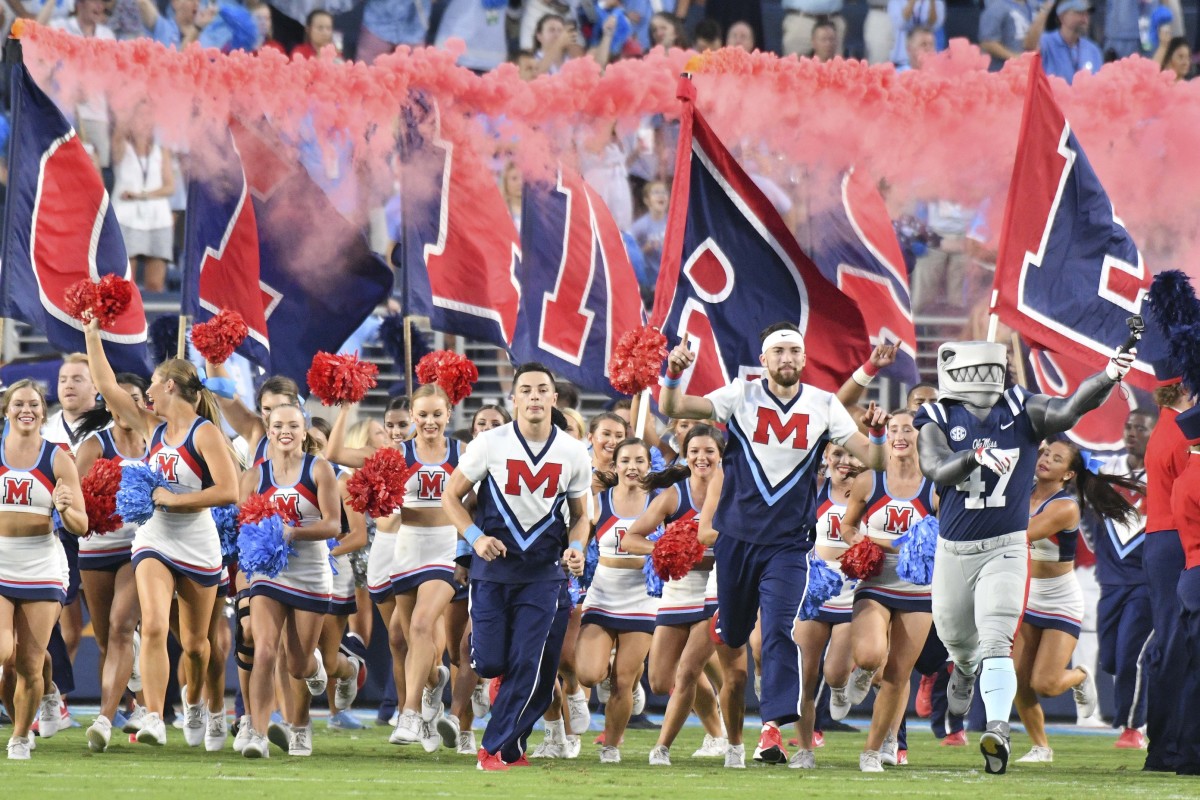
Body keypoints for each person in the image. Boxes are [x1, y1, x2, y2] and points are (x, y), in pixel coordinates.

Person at [660, 322, 887, 768]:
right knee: (735, 634)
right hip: (737, 541)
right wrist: (674, 372)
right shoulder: (738, 396)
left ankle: (772, 728)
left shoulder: (824, 405)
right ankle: (747, 695)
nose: (787, 358)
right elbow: (673, 404)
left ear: (804, 359)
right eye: (778, 351)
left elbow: (874, 457)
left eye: (794, 351)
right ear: (763, 359)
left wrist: (877, 434)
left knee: (780, 631)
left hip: (788, 544)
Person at [913, 339, 1133, 774]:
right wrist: (973, 457)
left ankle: (998, 728)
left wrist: (1109, 374)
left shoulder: (1022, 409)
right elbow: (935, 468)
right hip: (954, 549)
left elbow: (1070, 409)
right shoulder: (937, 416)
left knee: (997, 638)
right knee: (956, 637)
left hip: (1006, 547)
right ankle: (962, 666)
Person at [83, 319, 239, 747]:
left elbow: (230, 491)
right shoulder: (151, 427)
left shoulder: (204, 432)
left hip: (198, 541)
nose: (147, 390)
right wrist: (92, 335)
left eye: (153, 382)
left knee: (195, 645)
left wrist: (173, 499)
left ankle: (200, 705)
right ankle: (153, 715)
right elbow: (107, 384)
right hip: (154, 539)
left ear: (171, 387)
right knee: (151, 625)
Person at [442, 362, 592, 771]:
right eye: (526, 390)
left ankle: (496, 749)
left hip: (544, 573)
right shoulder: (489, 443)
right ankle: (504, 717)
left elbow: (581, 515)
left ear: (553, 398)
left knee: (531, 663)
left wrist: (576, 547)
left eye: (542, 390)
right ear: (514, 399)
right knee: (490, 662)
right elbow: (450, 496)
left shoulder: (574, 451)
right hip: (493, 571)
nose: (534, 397)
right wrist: (475, 539)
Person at [1012, 439, 1139, 763]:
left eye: (1056, 459)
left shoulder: (1064, 505)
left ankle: (1080, 676)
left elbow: (1020, 533)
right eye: (1043, 454)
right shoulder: (1020, 492)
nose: (1045, 461)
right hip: (1027, 595)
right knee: (1018, 679)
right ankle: (1041, 746)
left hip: (1059, 600)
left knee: (1047, 683)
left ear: (1068, 474)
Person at [622, 425, 734, 765]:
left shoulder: (733, 492)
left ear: (721, 456)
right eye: (695, 451)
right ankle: (716, 726)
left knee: (687, 671)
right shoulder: (674, 494)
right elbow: (631, 538)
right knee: (659, 681)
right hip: (677, 591)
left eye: (709, 451)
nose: (702, 457)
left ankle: (662, 747)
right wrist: (668, 547)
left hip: (713, 590)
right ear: (686, 456)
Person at [240, 405, 341, 758]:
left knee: (296, 665)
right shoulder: (254, 477)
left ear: (304, 433)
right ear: (268, 430)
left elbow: (333, 525)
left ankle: (314, 669)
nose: (285, 430)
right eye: (278, 425)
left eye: (293, 425)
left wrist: (292, 532)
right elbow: (242, 528)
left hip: (311, 572)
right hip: (269, 573)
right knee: (265, 650)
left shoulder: (319, 469)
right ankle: (257, 732)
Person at [841, 409, 937, 772]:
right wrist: (862, 543)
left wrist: (891, 542)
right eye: (893, 429)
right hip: (876, 582)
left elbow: (945, 535)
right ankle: (863, 672)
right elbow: (849, 528)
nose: (899, 436)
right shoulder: (869, 480)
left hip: (918, 589)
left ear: (921, 436)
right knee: (869, 655)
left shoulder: (935, 483)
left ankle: (874, 749)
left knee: (898, 675)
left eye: (908, 429)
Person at [0, 380, 87, 760]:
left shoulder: (57, 458)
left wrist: (66, 507)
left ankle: (20, 735)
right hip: (1, 560)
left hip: (42, 565)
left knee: (30, 662)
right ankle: (35, 701)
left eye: (33, 404)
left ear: (42, 411)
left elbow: (81, 526)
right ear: (6, 411)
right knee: (5, 655)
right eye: (18, 403)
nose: (26, 410)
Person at [382, 385, 464, 752]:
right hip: (407, 550)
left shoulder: (464, 453)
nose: (429, 421)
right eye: (423, 415)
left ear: (449, 414)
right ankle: (434, 680)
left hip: (447, 549)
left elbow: (473, 502)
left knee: (419, 624)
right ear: (412, 417)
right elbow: (384, 510)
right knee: (412, 638)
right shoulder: (398, 454)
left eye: (436, 414)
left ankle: (410, 714)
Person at [74, 375, 150, 753]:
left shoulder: (158, 445)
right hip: (96, 550)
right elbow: (71, 495)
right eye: (117, 400)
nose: (123, 406)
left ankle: (103, 719)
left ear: (144, 404)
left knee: (122, 624)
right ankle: (130, 701)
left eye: (132, 399)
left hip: (140, 549)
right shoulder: (95, 445)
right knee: (106, 639)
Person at [576, 438, 657, 764]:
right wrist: (575, 553)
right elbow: (579, 529)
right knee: (588, 675)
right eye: (626, 460)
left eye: (639, 460)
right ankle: (624, 673)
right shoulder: (599, 499)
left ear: (649, 466)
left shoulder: (660, 502)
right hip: (603, 594)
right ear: (616, 465)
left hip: (642, 599)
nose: (632, 467)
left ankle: (611, 745)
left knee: (622, 681)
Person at [791, 442, 865, 762]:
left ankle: (838, 687)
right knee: (805, 677)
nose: (844, 462)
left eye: (852, 455)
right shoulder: (813, 490)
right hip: (814, 593)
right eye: (837, 454)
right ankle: (805, 748)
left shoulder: (869, 496)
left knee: (834, 673)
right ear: (825, 457)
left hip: (853, 594)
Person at [1142, 361, 1195, 772]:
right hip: (1177, 541)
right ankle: (1171, 746)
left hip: (1164, 540)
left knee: (1172, 644)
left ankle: (1166, 744)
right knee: (1178, 646)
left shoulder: (1166, 426)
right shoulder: (1180, 434)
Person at [1094, 408, 1155, 748]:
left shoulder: (1163, 473)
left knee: (1132, 651)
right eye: (1128, 426)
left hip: (1144, 581)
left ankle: (1133, 727)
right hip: (1110, 580)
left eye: (1141, 427)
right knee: (1111, 658)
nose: (1132, 432)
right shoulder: (1105, 471)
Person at [111, 104, 175, 293]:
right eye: (139, 117)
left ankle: (153, 322)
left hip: (157, 219)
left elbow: (170, 186)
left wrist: (141, 195)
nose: (143, 122)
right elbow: (118, 136)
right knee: (124, 282)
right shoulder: (121, 146)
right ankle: (127, 322)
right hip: (126, 218)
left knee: (155, 284)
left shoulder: (160, 149)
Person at [1025, 0, 1103, 85]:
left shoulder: (1093, 50)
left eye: (1087, 13)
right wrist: (1046, 9)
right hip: (1054, 96)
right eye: (1079, 13)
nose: (1085, 18)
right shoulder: (1047, 42)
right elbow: (1029, 46)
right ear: (1062, 16)